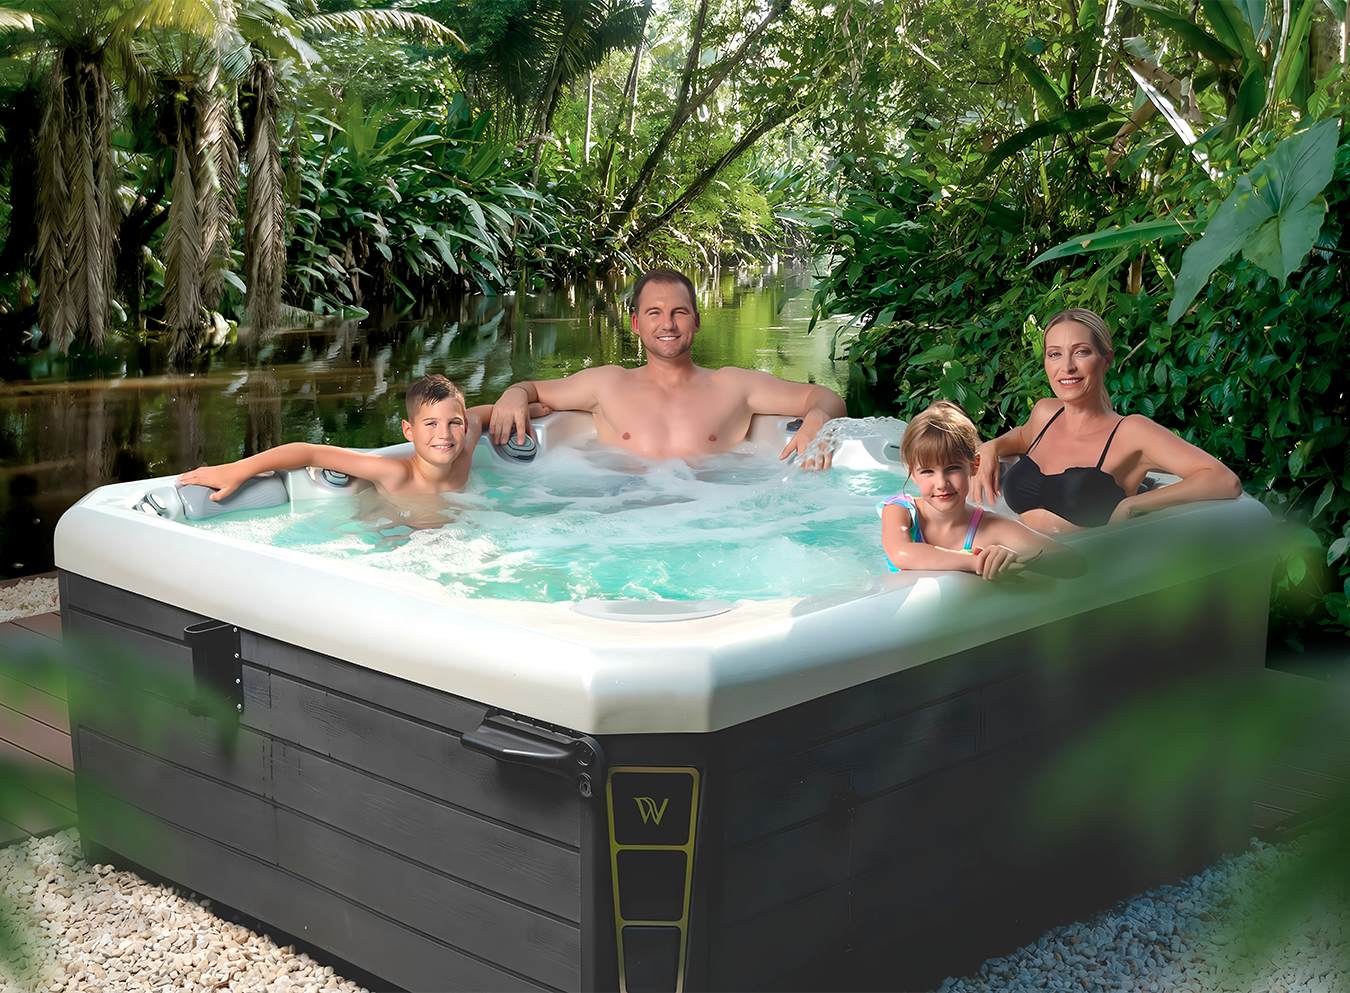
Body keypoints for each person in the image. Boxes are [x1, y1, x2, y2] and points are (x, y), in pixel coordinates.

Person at [486, 268, 847, 466]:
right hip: (619, 509)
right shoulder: (607, 384)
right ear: (636, 324)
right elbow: (530, 389)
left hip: (716, 514)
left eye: (679, 312)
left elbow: (826, 397)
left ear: (697, 320)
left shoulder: (733, 386)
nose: (668, 325)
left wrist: (817, 420)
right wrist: (513, 395)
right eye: (654, 314)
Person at [970, 308, 1242, 532]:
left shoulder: (1131, 432)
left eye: (1081, 351)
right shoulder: (1045, 414)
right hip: (1020, 561)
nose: (1067, 367)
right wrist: (991, 447)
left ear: (1107, 359)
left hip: (1091, 573)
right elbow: (1020, 437)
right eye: (1055, 354)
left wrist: (1134, 505)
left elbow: (1223, 480)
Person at [179, 374, 550, 501]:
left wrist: (527, 411)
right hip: (399, 537)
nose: (445, 434)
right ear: (408, 432)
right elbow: (309, 452)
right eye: (430, 425)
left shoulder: (464, 447)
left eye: (453, 423)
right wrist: (238, 469)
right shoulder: (396, 474)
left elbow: (485, 414)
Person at [880, 401, 1084, 581]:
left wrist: (1008, 560)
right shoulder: (900, 510)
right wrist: (977, 562)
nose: (941, 483)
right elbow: (901, 553)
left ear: (974, 464)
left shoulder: (990, 527)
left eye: (952, 468)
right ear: (912, 473)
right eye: (927, 471)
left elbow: (1073, 564)